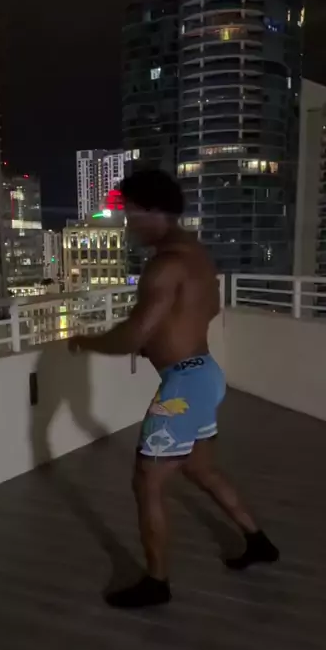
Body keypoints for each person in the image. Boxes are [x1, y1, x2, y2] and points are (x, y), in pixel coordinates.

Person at [69, 169, 279, 608]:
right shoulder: (195, 254)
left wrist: (86, 341)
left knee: (146, 483)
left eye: (131, 214)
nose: (128, 225)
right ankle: (258, 541)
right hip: (205, 374)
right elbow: (208, 308)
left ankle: (157, 582)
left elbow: (131, 335)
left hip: (184, 383)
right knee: (201, 470)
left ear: (153, 211)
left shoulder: (165, 264)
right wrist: (170, 335)